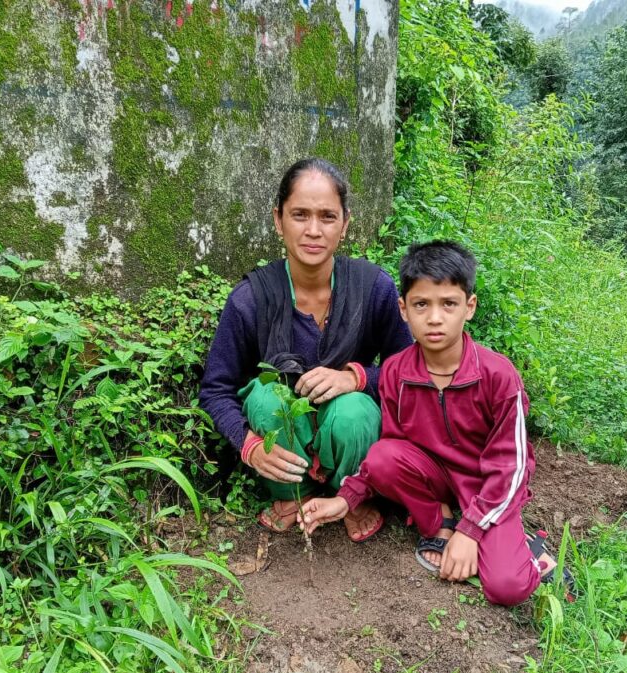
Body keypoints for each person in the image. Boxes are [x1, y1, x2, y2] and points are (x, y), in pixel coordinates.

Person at [299, 240, 571, 606]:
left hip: (487, 483)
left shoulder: (497, 375)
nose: (435, 318)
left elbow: (512, 466)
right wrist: (345, 500)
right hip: (433, 476)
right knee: (383, 455)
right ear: (404, 309)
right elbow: (390, 450)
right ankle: (441, 522)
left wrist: (472, 531)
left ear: (469, 307)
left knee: (507, 586)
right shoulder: (396, 371)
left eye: (449, 304)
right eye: (422, 304)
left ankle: (528, 549)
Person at [199, 158, 413, 541]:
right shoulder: (250, 299)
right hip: (286, 439)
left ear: (344, 224)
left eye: (328, 217)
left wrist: (356, 378)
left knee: (355, 411)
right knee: (266, 398)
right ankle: (290, 494)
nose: (313, 230)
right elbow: (216, 389)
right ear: (278, 220)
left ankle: (352, 493)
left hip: (347, 431)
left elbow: (410, 372)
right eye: (300, 215)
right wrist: (249, 445)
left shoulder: (373, 288)